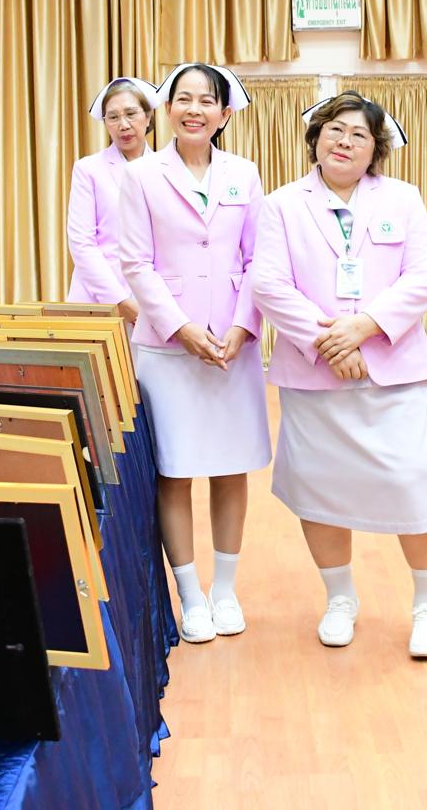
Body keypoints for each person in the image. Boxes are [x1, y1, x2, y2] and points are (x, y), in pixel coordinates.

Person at [250, 92, 427, 658]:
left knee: (414, 481)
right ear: (315, 137)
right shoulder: (282, 205)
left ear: (375, 148)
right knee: (320, 487)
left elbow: (426, 276)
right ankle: (340, 598)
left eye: (359, 134)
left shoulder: (402, 198)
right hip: (316, 374)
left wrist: (362, 328)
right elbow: (268, 284)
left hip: (393, 370)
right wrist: (329, 343)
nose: (344, 141)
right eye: (334, 129)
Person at [119, 62, 272, 645]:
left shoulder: (244, 174)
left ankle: (225, 591)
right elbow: (136, 263)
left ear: (224, 114)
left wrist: (243, 326)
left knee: (231, 467)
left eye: (207, 101)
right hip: (168, 346)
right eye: (184, 99)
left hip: (232, 344)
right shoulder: (141, 175)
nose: (194, 110)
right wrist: (180, 328)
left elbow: (258, 260)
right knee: (175, 470)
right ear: (167, 109)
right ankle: (189, 594)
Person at [67, 77, 163, 320]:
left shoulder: (166, 169)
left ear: (148, 116)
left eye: (131, 113)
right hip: (97, 301)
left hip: (153, 301)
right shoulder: (88, 169)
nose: (123, 125)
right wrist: (119, 301)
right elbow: (82, 243)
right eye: (113, 117)